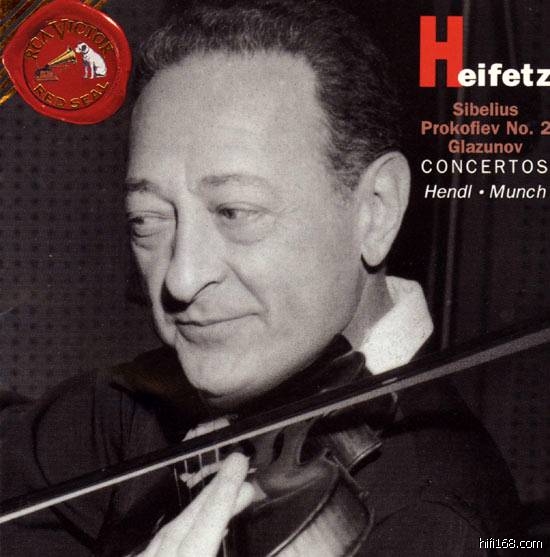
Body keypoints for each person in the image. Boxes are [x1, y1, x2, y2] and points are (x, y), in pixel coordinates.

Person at [1, 1, 521, 555]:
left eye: (235, 212)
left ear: (376, 209)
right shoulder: (145, 408)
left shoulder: (430, 523)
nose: (181, 279)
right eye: (147, 220)